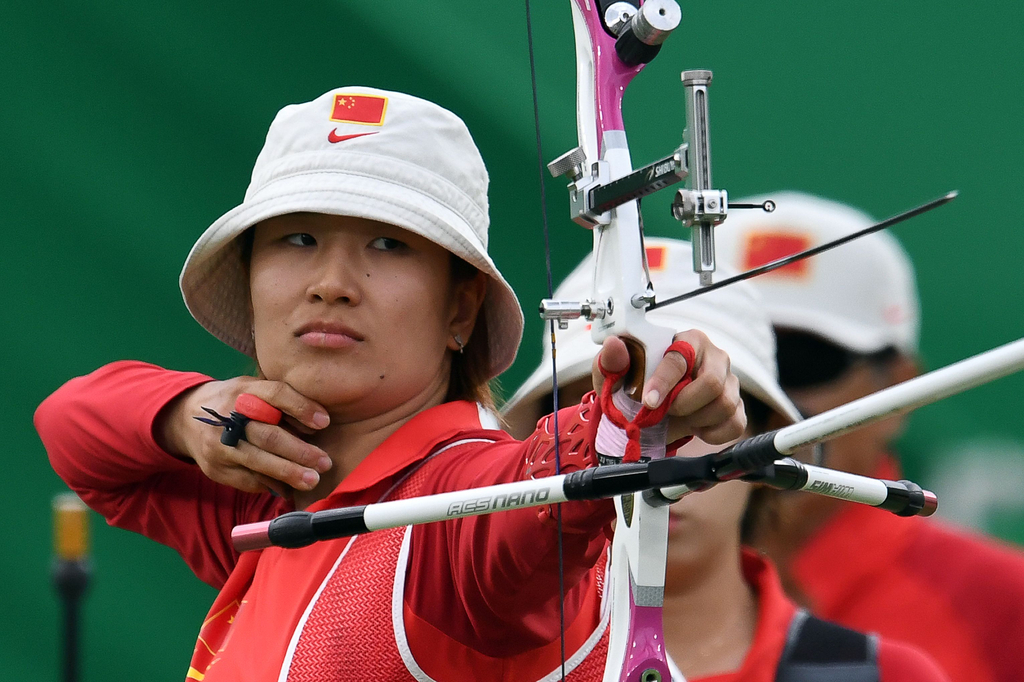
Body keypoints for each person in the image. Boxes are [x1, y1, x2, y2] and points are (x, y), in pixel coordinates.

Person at [34, 87, 749, 681]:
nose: (331, 285)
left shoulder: (457, 506)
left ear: (459, 308)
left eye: (387, 244)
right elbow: (71, 428)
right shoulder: (265, 491)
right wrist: (188, 414)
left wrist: (631, 407)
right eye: (298, 238)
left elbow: (537, 503)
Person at [504, 237, 948, 681]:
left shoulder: (886, 675)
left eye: (691, 415)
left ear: (764, 443)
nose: (647, 455)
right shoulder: (472, 662)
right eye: (603, 418)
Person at [714, 191, 1024, 682]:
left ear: (899, 388)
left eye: (799, 361)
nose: (765, 404)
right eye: (728, 365)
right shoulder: (592, 589)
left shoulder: (1006, 604)